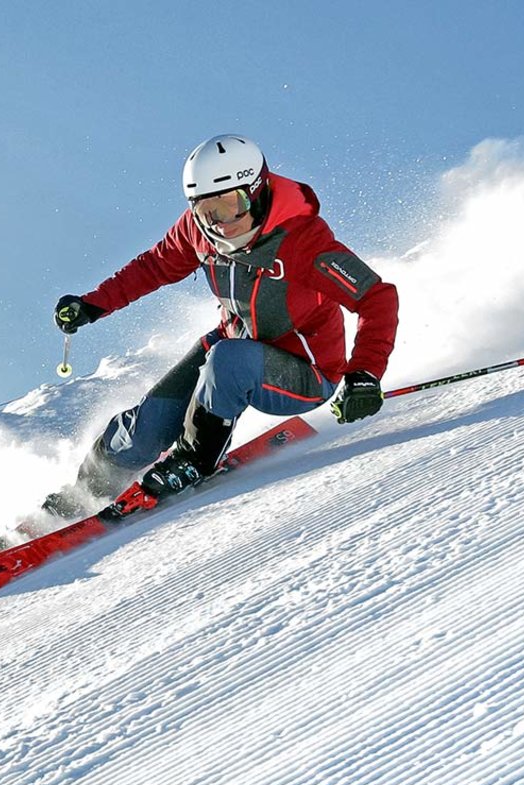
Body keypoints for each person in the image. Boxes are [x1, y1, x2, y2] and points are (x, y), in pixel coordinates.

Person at [44, 134, 399, 516]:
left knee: (229, 359)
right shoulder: (199, 231)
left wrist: (364, 373)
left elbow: (375, 297)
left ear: (257, 192)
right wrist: (93, 304)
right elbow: (155, 266)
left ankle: (194, 459)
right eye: (207, 210)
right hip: (228, 348)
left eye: (232, 205)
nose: (221, 223)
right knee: (146, 429)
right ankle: (83, 493)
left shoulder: (302, 241)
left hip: (306, 371)